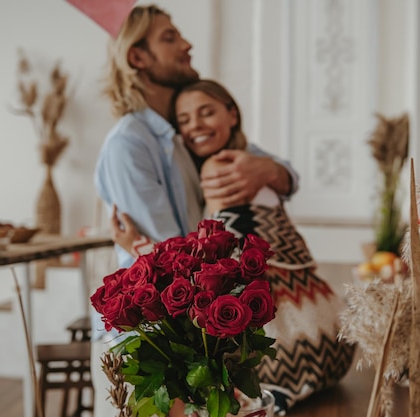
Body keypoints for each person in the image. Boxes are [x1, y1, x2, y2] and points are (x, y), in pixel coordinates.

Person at [92, 5, 300, 416]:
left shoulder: (187, 127)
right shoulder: (130, 144)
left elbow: (288, 177)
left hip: (201, 334)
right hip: (159, 345)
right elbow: (167, 258)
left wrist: (268, 169)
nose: (187, 45)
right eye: (170, 38)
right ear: (138, 57)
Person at [112, 79, 356, 416]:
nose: (194, 125)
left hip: (284, 354)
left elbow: (203, 259)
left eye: (206, 112)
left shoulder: (221, 165)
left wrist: (134, 245)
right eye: (184, 120)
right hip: (330, 340)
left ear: (232, 114)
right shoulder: (249, 159)